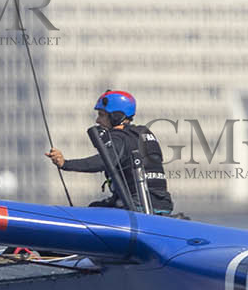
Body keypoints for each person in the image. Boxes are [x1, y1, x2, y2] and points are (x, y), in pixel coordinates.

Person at [46, 89, 175, 215]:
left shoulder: (119, 138)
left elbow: (103, 161)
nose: (97, 120)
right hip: (163, 205)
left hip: (137, 207)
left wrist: (65, 164)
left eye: (101, 115)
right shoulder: (143, 133)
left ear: (116, 116)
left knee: (91, 211)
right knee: (97, 206)